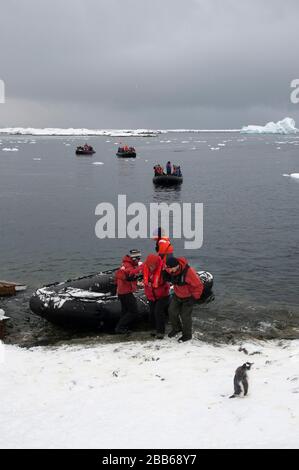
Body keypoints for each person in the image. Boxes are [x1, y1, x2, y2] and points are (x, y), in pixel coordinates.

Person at [163, 257, 204, 342]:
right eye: (168, 268)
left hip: (189, 297)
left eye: (171, 268)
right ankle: (177, 328)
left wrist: (194, 298)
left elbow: (199, 286)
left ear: (177, 266)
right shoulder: (169, 269)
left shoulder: (189, 272)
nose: (169, 270)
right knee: (171, 311)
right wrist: (164, 275)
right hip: (177, 295)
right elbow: (165, 271)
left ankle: (187, 335)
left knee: (185, 316)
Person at [114, 249, 143, 334]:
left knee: (125, 311)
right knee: (134, 311)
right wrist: (139, 274)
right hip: (125, 292)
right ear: (134, 258)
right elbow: (129, 275)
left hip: (122, 291)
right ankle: (120, 327)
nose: (139, 260)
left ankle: (122, 327)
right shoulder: (128, 266)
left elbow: (120, 275)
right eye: (138, 258)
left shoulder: (126, 264)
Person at [143, 254, 170, 339]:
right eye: (150, 266)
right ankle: (153, 329)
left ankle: (160, 332)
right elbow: (136, 270)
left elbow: (170, 276)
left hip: (162, 295)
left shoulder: (163, 270)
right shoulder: (145, 267)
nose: (151, 267)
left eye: (153, 265)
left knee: (158, 312)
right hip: (151, 295)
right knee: (151, 313)